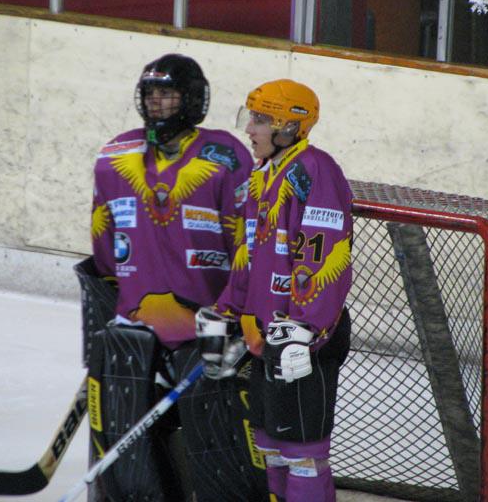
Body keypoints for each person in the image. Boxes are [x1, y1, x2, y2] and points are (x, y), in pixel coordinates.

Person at [80, 53, 267, 501]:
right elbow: (104, 244)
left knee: (218, 444)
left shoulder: (226, 156)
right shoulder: (115, 156)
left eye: (168, 94)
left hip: (207, 329)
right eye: (151, 94)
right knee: (129, 450)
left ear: (193, 99)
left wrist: (240, 310)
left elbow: (248, 241)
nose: (157, 103)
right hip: (136, 331)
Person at [196, 79, 353, 502]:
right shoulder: (261, 176)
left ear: (289, 126)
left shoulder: (314, 170)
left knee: (303, 455)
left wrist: (305, 328)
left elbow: (323, 257)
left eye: (261, 120)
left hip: (303, 337)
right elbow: (249, 254)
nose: (249, 129)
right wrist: (227, 310)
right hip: (265, 335)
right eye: (251, 118)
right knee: (270, 449)